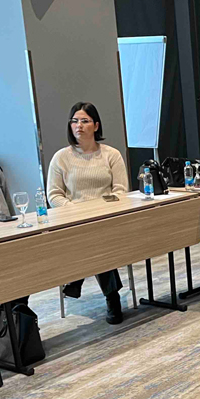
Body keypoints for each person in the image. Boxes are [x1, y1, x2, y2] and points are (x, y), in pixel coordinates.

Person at [47, 102, 129, 324]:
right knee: (93, 239)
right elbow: (54, 195)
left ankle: (77, 278)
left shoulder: (111, 155)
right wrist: (75, 211)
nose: (79, 125)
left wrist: (101, 210)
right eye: (74, 121)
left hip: (107, 218)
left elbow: (121, 191)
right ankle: (112, 296)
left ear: (96, 126)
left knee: (97, 237)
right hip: (74, 221)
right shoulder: (61, 157)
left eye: (84, 121)